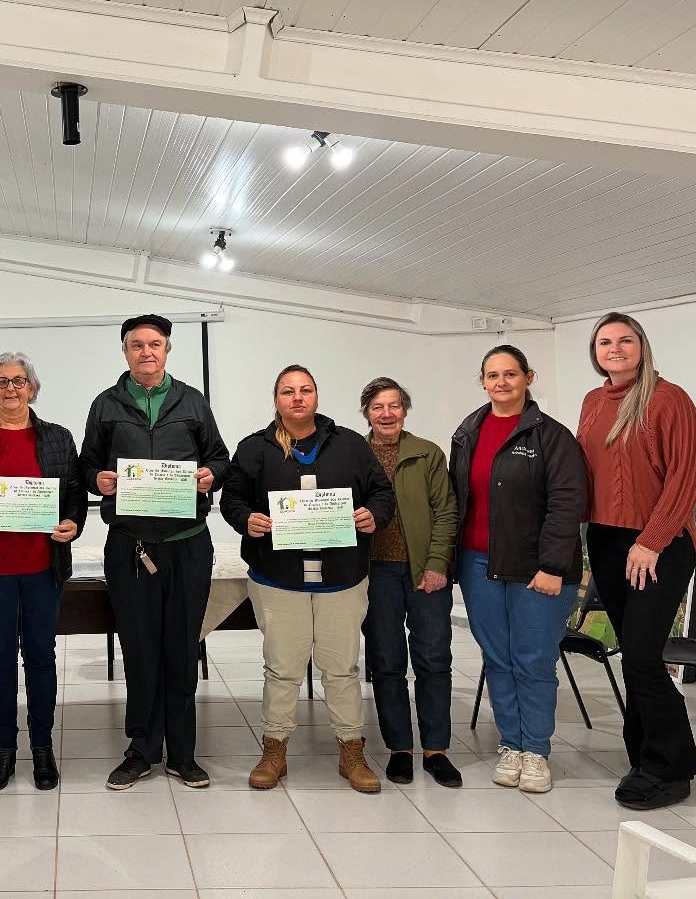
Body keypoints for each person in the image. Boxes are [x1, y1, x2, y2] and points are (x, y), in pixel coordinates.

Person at [220, 365, 394, 794]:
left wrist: (375, 514)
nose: (297, 398)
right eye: (288, 391)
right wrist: (247, 519)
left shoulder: (351, 445)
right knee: (282, 670)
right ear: (276, 399)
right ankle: (274, 749)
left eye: (306, 390)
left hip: (342, 579)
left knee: (342, 670)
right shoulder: (255, 448)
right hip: (278, 581)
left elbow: (381, 493)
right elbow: (232, 499)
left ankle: (351, 750)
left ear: (316, 396)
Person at [79, 314, 229, 790]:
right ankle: (141, 750)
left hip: (187, 545)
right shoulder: (106, 405)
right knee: (140, 651)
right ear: (125, 352)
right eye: (137, 345)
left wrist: (211, 476)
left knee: (182, 650)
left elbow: (220, 457)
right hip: (130, 546)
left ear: (168, 350)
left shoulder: (192, 402)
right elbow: (87, 463)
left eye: (155, 344)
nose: (146, 352)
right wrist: (95, 479)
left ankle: (183, 754)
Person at [578, 312, 696, 810]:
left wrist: (651, 539)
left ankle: (673, 768)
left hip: (659, 544)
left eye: (624, 340)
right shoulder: (592, 400)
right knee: (633, 655)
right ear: (595, 352)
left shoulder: (668, 398)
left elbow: (687, 477)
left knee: (642, 657)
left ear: (642, 346)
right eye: (605, 342)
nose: (614, 348)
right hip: (608, 542)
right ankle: (644, 757)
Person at [450, 344, 586, 794]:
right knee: (498, 659)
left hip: (536, 571)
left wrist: (551, 565)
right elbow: (458, 501)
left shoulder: (553, 436)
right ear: (483, 381)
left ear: (528, 377)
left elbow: (568, 505)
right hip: (478, 564)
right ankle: (510, 744)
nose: (501, 382)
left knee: (533, 661)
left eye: (510, 374)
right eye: (492, 375)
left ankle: (536, 752)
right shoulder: (467, 432)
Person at [0, 352, 87, 792]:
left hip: (41, 569)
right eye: (1, 381)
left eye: (18, 381)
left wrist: (73, 523)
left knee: (41, 658)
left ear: (32, 387)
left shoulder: (56, 438)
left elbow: (73, 494)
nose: (10, 389)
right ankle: (4, 749)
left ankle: (44, 747)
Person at [358, 376, 461, 789]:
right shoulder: (354, 453)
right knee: (386, 664)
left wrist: (437, 564)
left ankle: (437, 750)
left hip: (424, 573)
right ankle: (399, 749)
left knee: (434, 660)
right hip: (375, 574)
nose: (387, 414)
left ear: (405, 410)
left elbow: (446, 512)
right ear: (366, 411)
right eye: (378, 406)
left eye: (394, 406)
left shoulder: (428, 454)